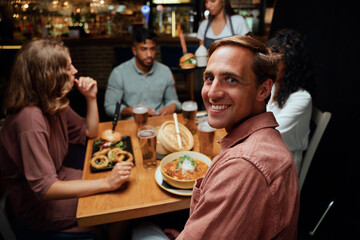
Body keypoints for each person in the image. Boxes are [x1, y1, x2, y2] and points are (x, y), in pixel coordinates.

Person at [132, 36, 300, 239]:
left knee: (139, 228)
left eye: (231, 80)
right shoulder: (261, 141)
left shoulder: (244, 166)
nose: (212, 93)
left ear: (263, 90)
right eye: (209, 78)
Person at [0, 39, 134, 234]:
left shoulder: (53, 101)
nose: (75, 70)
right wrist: (106, 183)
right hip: (38, 204)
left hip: (60, 177)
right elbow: (46, 189)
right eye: (68, 67)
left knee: (122, 188)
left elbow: (90, 132)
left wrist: (91, 98)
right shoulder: (29, 119)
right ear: (49, 75)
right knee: (118, 204)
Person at [104, 27, 181, 120]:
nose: (149, 54)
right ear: (134, 51)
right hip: (132, 122)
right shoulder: (119, 73)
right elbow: (110, 107)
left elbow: (174, 101)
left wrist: (172, 106)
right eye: (144, 49)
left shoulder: (165, 71)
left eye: (152, 49)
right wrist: (133, 111)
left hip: (159, 121)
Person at [266, 29, 315, 172]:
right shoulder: (273, 87)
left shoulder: (301, 98)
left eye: (274, 62)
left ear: (290, 66)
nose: (268, 67)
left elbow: (271, 133)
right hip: (264, 152)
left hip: (285, 165)